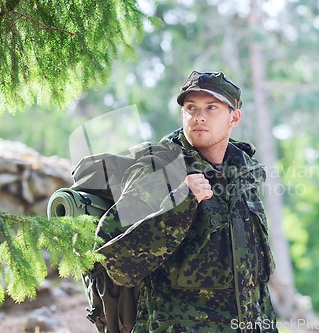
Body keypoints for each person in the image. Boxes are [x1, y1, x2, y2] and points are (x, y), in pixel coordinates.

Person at [95, 71, 278, 332]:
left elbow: (256, 287)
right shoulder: (159, 168)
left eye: (211, 108)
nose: (199, 116)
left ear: (234, 118)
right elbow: (117, 263)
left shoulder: (244, 175)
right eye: (191, 108)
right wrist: (181, 201)